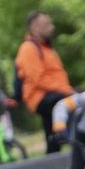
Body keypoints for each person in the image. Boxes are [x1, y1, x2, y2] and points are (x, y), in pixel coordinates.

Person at [15, 10, 73, 154]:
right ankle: (78, 143)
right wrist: (67, 90)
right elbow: (38, 79)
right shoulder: (28, 48)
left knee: (52, 136)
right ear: (34, 28)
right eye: (47, 24)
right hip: (40, 97)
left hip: (53, 94)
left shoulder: (46, 48)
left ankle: (52, 159)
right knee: (71, 104)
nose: (52, 27)